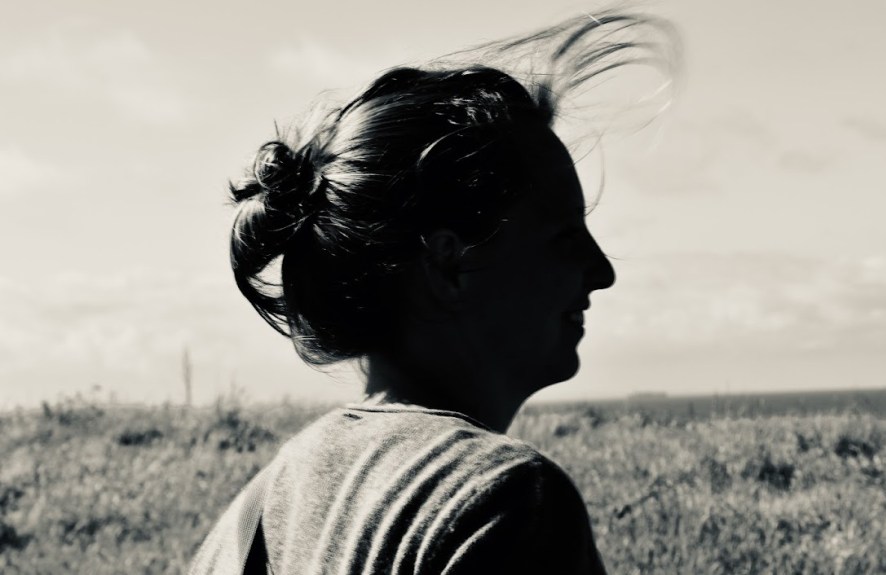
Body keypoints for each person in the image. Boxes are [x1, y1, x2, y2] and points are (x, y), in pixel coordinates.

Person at [190, 11, 676, 575]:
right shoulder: (504, 506)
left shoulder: (258, 511)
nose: (601, 271)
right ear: (449, 265)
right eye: (565, 236)